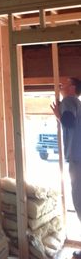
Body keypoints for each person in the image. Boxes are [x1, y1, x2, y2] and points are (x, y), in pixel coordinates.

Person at [51, 77, 81, 258]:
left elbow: (69, 122)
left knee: (79, 200)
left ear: (73, 88)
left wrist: (59, 116)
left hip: (78, 159)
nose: (61, 87)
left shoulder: (69, 101)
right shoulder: (77, 102)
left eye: (63, 85)